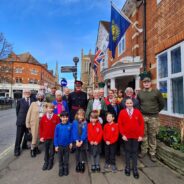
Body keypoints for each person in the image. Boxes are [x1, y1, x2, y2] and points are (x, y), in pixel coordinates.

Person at [137, 76, 164, 162]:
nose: (146, 83)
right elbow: (139, 104)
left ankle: (152, 153)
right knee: (144, 135)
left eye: (148, 82)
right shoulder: (140, 93)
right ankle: (144, 151)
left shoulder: (156, 92)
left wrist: (155, 111)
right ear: (143, 83)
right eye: (145, 82)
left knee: (152, 135)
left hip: (153, 117)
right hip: (143, 116)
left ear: (150, 83)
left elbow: (162, 104)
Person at [118, 98, 144, 179]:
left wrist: (140, 135)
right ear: (125, 104)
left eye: (130, 103)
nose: (129, 104)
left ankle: (135, 168)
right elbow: (120, 124)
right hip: (126, 136)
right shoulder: (122, 112)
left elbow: (141, 124)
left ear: (133, 104)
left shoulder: (137, 112)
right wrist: (123, 135)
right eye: (127, 103)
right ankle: (128, 167)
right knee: (128, 151)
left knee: (135, 152)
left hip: (136, 136)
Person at [39, 103, 60, 171]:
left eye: (52, 108)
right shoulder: (43, 118)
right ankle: (46, 162)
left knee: (52, 151)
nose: (50, 109)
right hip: (45, 138)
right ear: (46, 108)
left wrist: (57, 137)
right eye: (49, 108)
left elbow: (58, 128)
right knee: (46, 151)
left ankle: (50, 162)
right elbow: (41, 128)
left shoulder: (56, 117)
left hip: (53, 138)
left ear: (53, 109)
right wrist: (41, 137)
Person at [26, 91, 46, 157]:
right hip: (34, 122)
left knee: (39, 136)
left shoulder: (45, 104)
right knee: (34, 136)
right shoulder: (33, 104)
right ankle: (32, 149)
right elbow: (28, 114)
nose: (40, 97)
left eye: (42, 96)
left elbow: (50, 109)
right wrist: (27, 124)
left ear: (43, 97)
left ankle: (36, 148)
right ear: (37, 96)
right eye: (39, 96)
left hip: (42, 122)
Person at [14, 89, 34, 156]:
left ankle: (24, 146)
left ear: (30, 93)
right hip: (21, 122)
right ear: (23, 93)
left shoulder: (32, 101)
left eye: (28, 92)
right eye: (26, 92)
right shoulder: (20, 101)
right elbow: (17, 111)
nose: (27, 93)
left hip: (29, 122)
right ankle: (16, 150)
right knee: (19, 136)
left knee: (27, 135)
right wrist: (20, 118)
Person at [54, 111, 72, 177]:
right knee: (60, 158)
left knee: (66, 157)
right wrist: (56, 145)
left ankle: (65, 167)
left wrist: (70, 143)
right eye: (63, 117)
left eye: (66, 117)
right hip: (60, 145)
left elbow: (71, 135)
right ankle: (61, 168)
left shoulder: (70, 125)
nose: (65, 118)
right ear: (60, 118)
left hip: (67, 145)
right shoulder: (58, 126)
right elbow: (55, 136)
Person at [72, 109, 87, 173]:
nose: (81, 117)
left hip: (82, 141)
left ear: (84, 116)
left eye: (82, 115)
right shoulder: (74, 122)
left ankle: (82, 163)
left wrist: (81, 140)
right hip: (76, 141)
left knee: (83, 152)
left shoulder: (85, 122)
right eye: (79, 115)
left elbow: (85, 132)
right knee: (77, 152)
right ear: (77, 115)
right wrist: (77, 141)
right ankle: (78, 163)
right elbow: (74, 131)